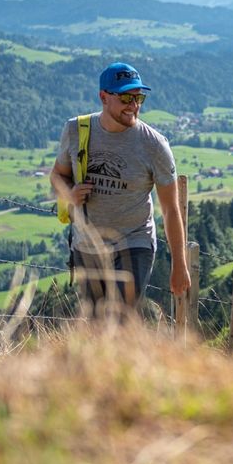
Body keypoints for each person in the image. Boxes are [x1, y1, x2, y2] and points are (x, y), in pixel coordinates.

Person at [50, 62, 190, 320]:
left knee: (120, 318)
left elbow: (171, 209)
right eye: (126, 97)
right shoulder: (76, 130)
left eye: (138, 98)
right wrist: (68, 194)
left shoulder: (154, 145)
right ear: (103, 97)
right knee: (96, 326)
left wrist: (179, 264)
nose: (133, 105)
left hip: (134, 242)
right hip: (87, 244)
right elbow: (58, 175)